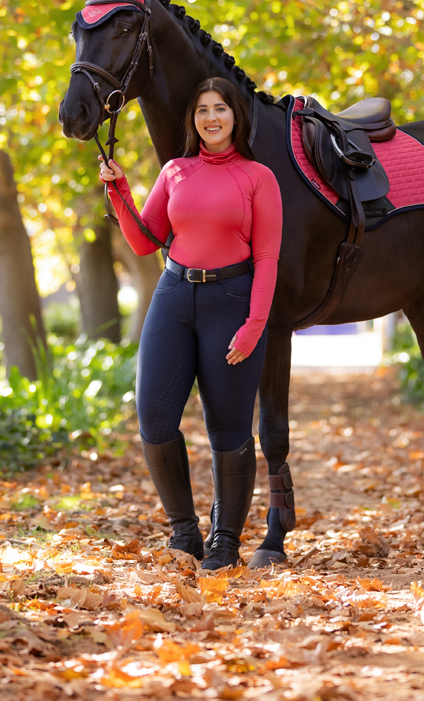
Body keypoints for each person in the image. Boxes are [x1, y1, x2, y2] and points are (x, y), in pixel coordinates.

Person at [99, 76, 282, 569]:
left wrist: (255, 323)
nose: (211, 117)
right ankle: (184, 531)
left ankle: (226, 540)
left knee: (228, 427)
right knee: (154, 419)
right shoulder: (175, 171)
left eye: (220, 108)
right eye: (202, 110)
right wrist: (119, 189)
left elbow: (267, 258)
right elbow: (144, 241)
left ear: (235, 116)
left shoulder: (258, 177)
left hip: (232, 300)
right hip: (174, 296)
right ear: (193, 120)